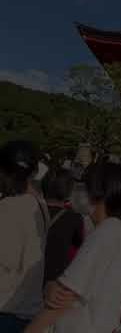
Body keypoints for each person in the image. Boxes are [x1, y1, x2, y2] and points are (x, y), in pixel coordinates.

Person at [25, 162, 121, 333]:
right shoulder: (118, 231)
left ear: (99, 193)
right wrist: (49, 288)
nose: (79, 191)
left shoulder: (106, 232)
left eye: (85, 186)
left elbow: (61, 300)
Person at [0, 141, 48, 332]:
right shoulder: (37, 202)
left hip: (7, 309)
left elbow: (7, 260)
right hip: (27, 307)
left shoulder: (10, 208)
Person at [42, 168, 84, 284]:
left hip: (28, 278)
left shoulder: (31, 209)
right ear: (68, 191)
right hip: (55, 280)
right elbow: (79, 247)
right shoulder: (74, 218)